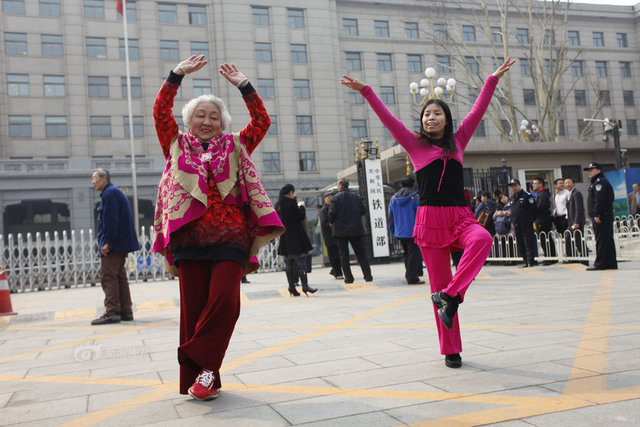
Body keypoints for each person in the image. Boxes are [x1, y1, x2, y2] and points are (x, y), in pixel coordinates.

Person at [342, 57, 515, 369]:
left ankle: (452, 295)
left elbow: (478, 110)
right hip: (431, 221)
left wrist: (492, 80)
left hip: (461, 218)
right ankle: (451, 349)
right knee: (438, 285)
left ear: (446, 120)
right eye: (426, 114)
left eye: (437, 113)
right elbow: (388, 119)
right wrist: (366, 90)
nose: (431, 117)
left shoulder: (459, 141)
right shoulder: (414, 144)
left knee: (483, 239)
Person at [152, 55, 284, 401]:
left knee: (226, 302)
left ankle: (197, 359)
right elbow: (160, 111)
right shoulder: (175, 143)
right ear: (189, 121)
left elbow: (262, 121)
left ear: (222, 123)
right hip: (189, 238)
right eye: (201, 115)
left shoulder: (236, 145)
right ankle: (204, 378)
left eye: (214, 116)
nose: (207, 121)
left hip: (230, 238)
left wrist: (244, 85)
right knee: (194, 310)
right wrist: (176, 75)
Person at [90, 168, 140, 326]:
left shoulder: (110, 193)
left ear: (104, 179)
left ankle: (112, 312)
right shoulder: (113, 192)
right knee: (119, 276)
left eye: (94, 179)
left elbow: (111, 220)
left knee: (108, 276)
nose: (93, 182)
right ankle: (126, 311)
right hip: (120, 244)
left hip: (114, 245)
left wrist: (108, 243)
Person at [328, 178, 373, 284]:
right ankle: (368, 276)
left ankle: (349, 278)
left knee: (344, 255)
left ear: (340, 185)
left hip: (340, 231)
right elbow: (362, 210)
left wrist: (331, 222)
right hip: (356, 229)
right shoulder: (356, 197)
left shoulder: (335, 198)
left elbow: (332, 213)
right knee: (361, 254)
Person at [276, 184, 316, 297]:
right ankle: (305, 286)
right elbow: (300, 216)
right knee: (301, 260)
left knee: (289, 262)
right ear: (291, 192)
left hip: (285, 236)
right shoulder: (291, 203)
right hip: (295, 235)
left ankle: (291, 287)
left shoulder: (278, 205)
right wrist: (302, 207)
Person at [388, 177, 424, 285]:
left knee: (407, 253)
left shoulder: (393, 198)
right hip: (413, 231)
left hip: (400, 231)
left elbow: (390, 215)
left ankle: (410, 274)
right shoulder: (416, 197)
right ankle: (412, 277)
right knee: (413, 254)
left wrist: (393, 229)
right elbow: (420, 215)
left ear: (401, 186)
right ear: (413, 185)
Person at [584, 162, 617, 270]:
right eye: (589, 170)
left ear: (599, 170)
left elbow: (600, 200)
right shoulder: (599, 182)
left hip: (601, 216)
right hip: (604, 215)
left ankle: (600, 263)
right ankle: (610, 263)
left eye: (592, 170)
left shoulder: (600, 182)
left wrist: (597, 214)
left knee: (602, 240)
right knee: (607, 240)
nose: (589, 172)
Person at [508, 178, 537, 268]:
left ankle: (530, 261)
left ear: (519, 185)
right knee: (520, 244)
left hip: (526, 224)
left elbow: (534, 209)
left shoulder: (527, 196)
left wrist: (530, 219)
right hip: (516, 225)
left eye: (515, 185)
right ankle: (526, 261)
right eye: (512, 186)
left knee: (528, 243)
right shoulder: (512, 198)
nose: (513, 188)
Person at [531, 177, 556, 264]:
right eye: (533, 183)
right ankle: (548, 256)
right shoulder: (540, 193)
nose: (533, 185)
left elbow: (540, 207)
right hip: (540, 219)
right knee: (544, 239)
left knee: (545, 239)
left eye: (535, 183)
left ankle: (551, 257)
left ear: (541, 184)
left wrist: (532, 209)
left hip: (543, 220)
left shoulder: (542, 194)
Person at [319, 191, 343, 280]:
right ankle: (337, 272)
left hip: (337, 235)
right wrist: (332, 224)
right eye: (328, 197)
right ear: (324, 199)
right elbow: (325, 224)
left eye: (331, 197)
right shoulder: (323, 210)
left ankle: (336, 271)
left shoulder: (335, 207)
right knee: (333, 256)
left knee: (338, 255)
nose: (330, 198)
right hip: (329, 237)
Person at [564, 177, 586, 260]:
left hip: (576, 222)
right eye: (566, 183)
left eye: (569, 182)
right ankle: (572, 258)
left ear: (573, 184)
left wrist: (576, 222)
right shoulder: (569, 193)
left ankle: (585, 259)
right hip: (570, 222)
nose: (567, 184)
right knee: (568, 238)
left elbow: (578, 208)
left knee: (578, 241)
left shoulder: (576, 193)